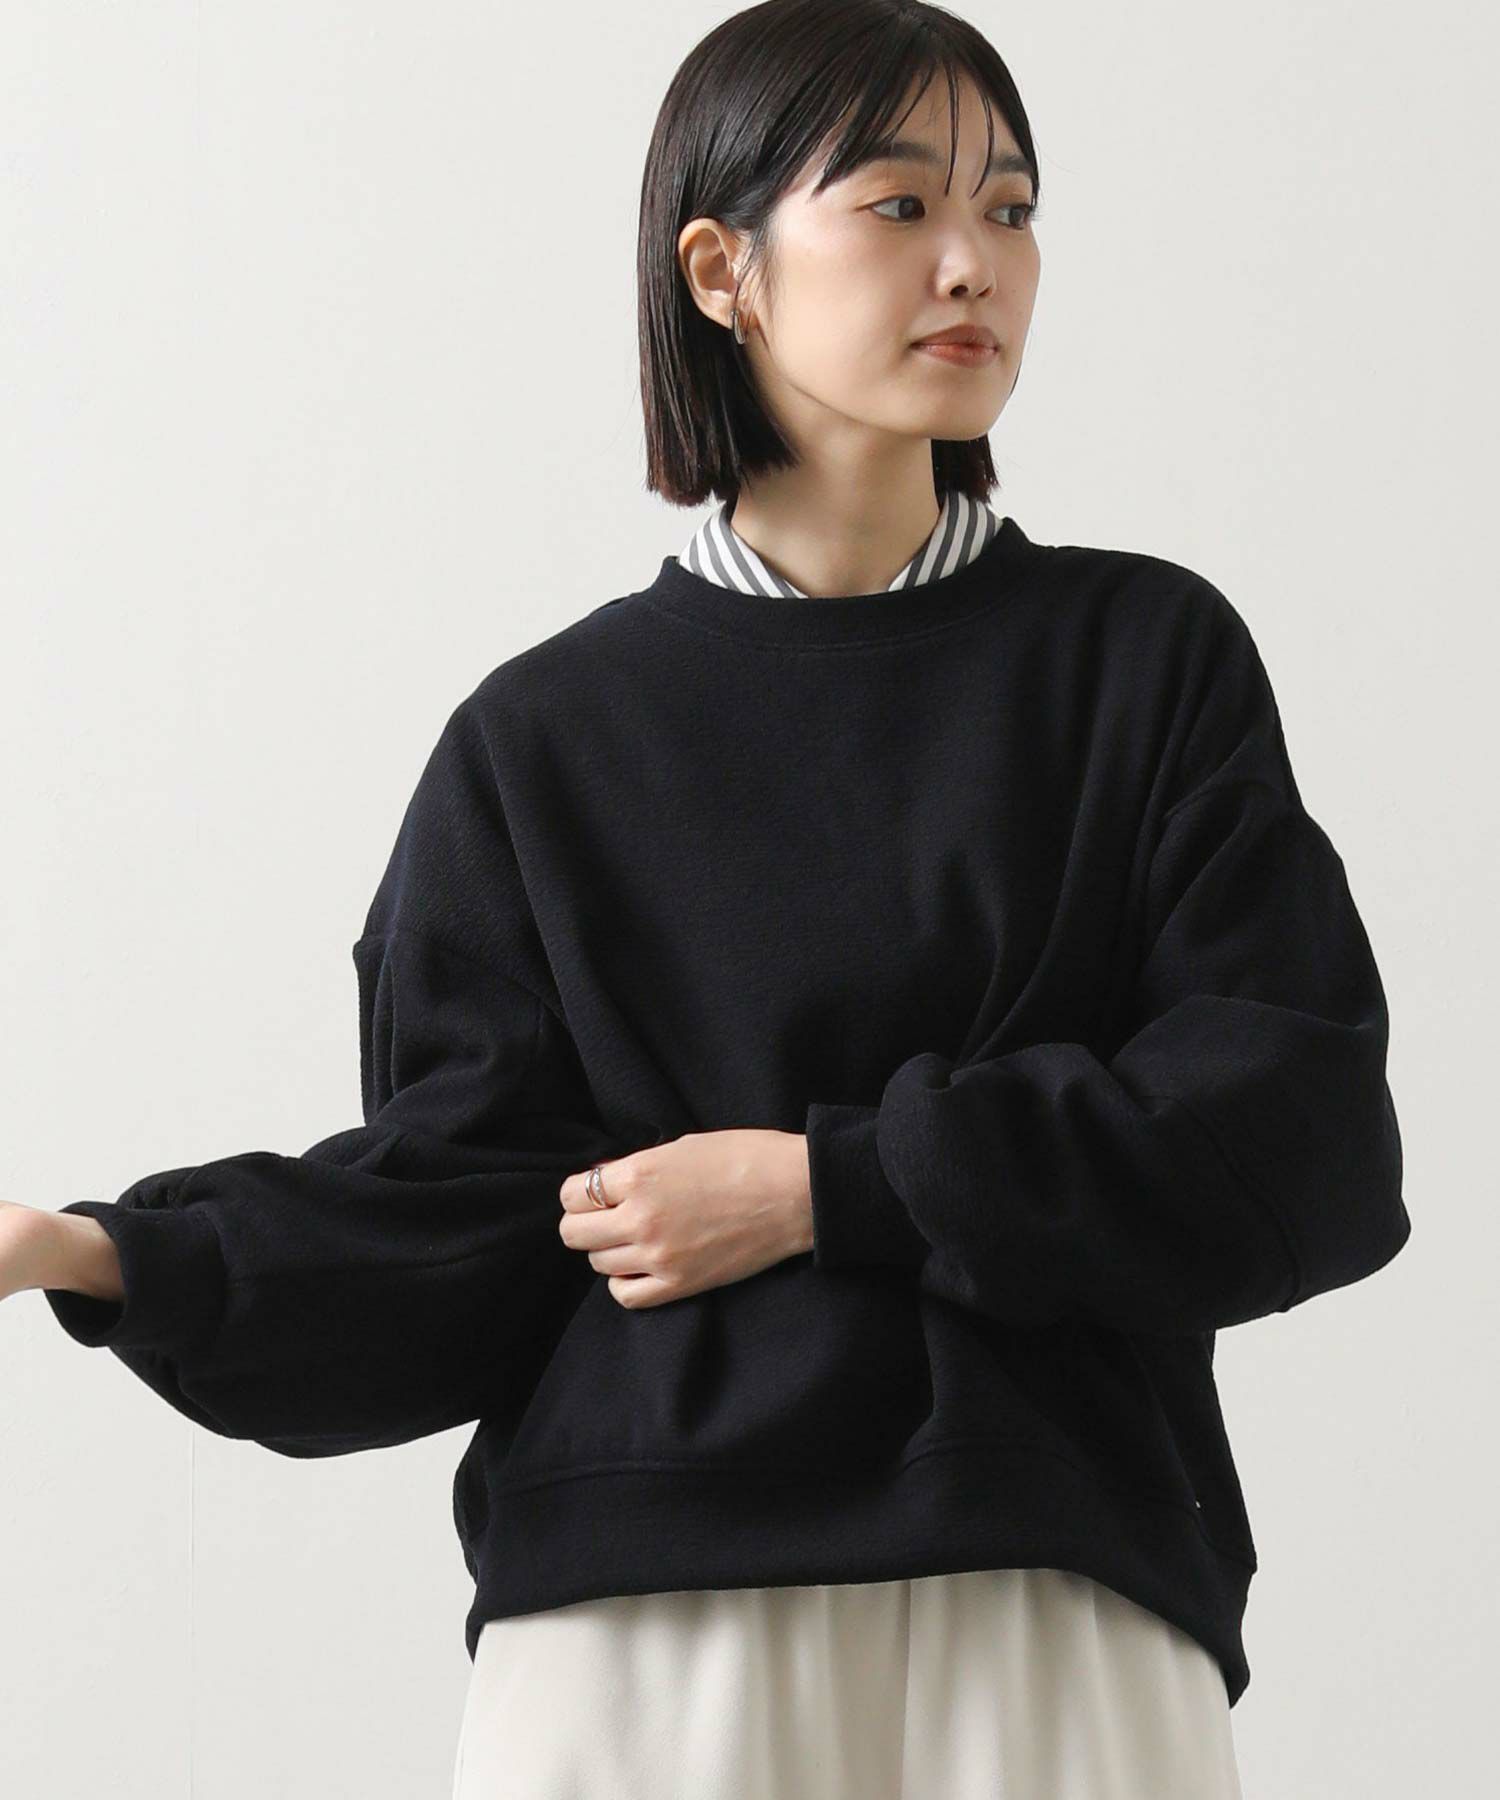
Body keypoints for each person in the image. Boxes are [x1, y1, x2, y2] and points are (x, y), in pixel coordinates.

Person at [5, 3, 1411, 1795]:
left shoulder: (1144, 663)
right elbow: (470, 1207)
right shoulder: (543, 740)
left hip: (1053, 1589)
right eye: (900, 206)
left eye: (1013, 207)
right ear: (721, 269)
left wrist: (826, 1189)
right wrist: (102, 1253)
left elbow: (1294, 1130)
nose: (974, 263)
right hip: (640, 1626)